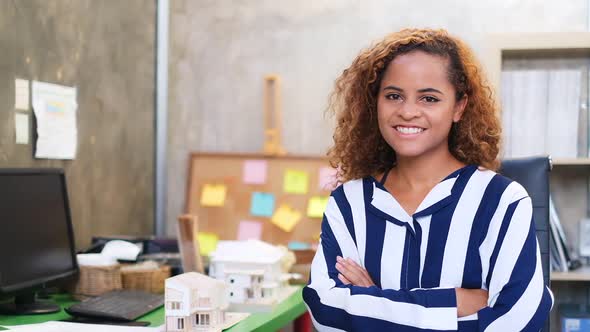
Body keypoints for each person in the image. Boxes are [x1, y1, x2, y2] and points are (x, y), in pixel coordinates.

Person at [302, 28, 553, 331]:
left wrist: (371, 300)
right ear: (375, 102)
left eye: (429, 99)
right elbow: (326, 311)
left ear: (459, 107)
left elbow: (519, 321)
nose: (408, 112)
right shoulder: (348, 203)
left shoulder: (503, 200)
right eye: (394, 95)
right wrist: (455, 302)